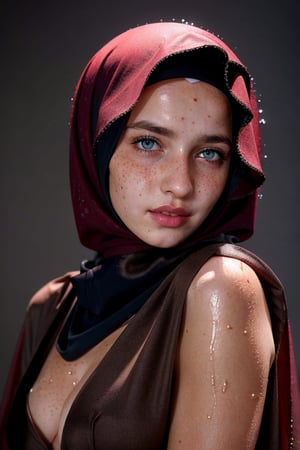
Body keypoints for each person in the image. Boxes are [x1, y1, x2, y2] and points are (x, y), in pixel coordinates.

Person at [0, 21, 299, 449]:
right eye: (148, 143)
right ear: (96, 145)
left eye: (209, 153)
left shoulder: (221, 290)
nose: (181, 184)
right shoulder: (50, 309)